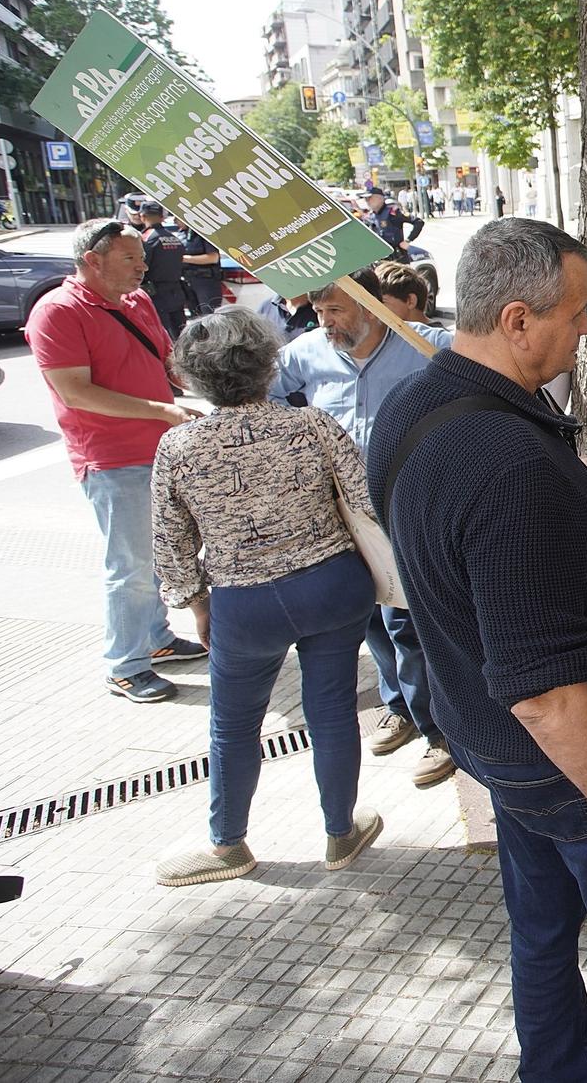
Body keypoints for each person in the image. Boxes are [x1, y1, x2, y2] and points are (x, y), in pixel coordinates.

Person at [367, 219, 587, 1078]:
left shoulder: (409, 406)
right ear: (515, 319)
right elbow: (546, 689)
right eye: (576, 314)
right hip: (581, 767)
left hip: (497, 753)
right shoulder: (508, 463)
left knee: (542, 937)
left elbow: (455, 572)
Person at [148, 308, 385, 886]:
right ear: (266, 364)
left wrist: (196, 603)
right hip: (332, 585)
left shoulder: (178, 447)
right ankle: (340, 833)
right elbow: (368, 502)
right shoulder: (313, 426)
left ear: (192, 376)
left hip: (244, 602)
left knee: (233, 726)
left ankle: (228, 844)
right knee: (331, 711)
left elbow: (171, 542)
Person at [272, 267, 455, 786]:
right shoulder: (305, 353)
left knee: (408, 622)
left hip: (404, 506)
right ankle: (397, 705)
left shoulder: (422, 343)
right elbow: (260, 395)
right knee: (370, 616)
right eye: (321, 311)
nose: (325, 321)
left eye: (336, 310)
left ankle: (439, 733)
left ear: (372, 306)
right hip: (340, 514)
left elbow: (479, 362)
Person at [26, 219, 205, 703]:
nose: (143, 267)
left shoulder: (138, 301)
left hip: (161, 448)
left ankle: (156, 639)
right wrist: (162, 410)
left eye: (142, 258)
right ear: (93, 260)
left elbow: (166, 361)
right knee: (128, 565)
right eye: (131, 258)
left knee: (156, 557)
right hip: (111, 457)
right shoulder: (58, 312)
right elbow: (75, 391)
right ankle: (125, 665)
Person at [135, 203, 191, 337]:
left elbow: (141, 266)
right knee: (181, 335)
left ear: (142, 216)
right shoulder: (174, 238)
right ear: (162, 217)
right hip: (176, 291)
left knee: (162, 336)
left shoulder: (146, 239)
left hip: (155, 294)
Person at [361, 189, 424, 263]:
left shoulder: (393, 212)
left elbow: (418, 222)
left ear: (380, 198)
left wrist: (408, 240)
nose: (367, 201)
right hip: (380, 260)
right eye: (365, 199)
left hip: (397, 259)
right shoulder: (370, 216)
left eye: (369, 198)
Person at [180, 223, 225, 318]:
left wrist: (183, 258)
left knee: (210, 316)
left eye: (177, 218)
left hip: (206, 281)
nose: (175, 221)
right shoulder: (183, 233)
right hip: (188, 280)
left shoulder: (204, 233)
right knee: (195, 318)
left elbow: (213, 258)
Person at [372, 259, 434, 325]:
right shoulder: (393, 333)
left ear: (410, 301)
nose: (374, 312)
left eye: (382, 303)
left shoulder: (436, 335)